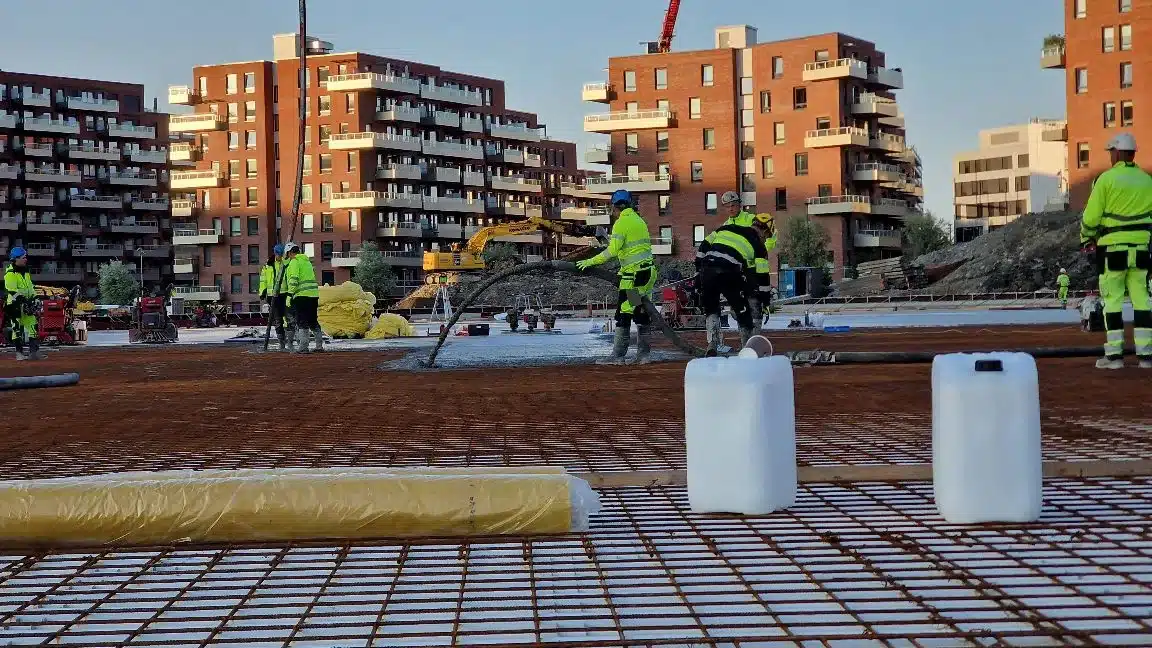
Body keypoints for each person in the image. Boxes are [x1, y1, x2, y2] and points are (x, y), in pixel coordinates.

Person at [1080, 132, 1152, 369]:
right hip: (1141, 249)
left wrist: (1086, 237)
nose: (1110, 156)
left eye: (1111, 152)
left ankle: (1114, 356)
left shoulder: (1106, 180)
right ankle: (1146, 355)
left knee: (1112, 300)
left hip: (1113, 250)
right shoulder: (1147, 180)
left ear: (1118, 152)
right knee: (1142, 299)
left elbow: (1091, 217)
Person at [576, 189, 656, 365]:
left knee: (624, 314)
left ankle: (618, 356)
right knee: (640, 311)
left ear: (615, 207)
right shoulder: (639, 221)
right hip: (646, 274)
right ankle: (644, 356)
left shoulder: (621, 223)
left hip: (633, 278)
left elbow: (611, 251)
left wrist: (590, 262)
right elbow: (632, 249)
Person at [695, 191, 772, 355]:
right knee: (741, 309)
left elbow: (703, 247)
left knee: (712, 309)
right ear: (763, 232)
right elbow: (763, 276)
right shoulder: (758, 242)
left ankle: (712, 345)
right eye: (766, 236)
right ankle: (747, 349)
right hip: (732, 271)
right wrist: (766, 300)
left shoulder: (728, 227)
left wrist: (698, 272)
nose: (731, 208)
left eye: (733, 205)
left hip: (708, 269)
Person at [283, 242, 324, 353]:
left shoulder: (294, 262)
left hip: (301, 296)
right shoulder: (307, 262)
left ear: (290, 252)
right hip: (313, 296)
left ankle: (303, 347)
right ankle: (319, 346)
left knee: (302, 321)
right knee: (313, 321)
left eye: (287, 253)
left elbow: (294, 280)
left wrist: (289, 295)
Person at [3, 248, 42, 361]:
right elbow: (12, 290)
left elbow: (30, 287)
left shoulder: (25, 271)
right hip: (15, 305)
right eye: (23, 257)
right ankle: (19, 353)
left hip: (26, 304)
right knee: (17, 328)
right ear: (16, 259)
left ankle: (34, 353)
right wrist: (24, 301)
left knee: (33, 326)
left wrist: (35, 297)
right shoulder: (10, 273)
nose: (26, 259)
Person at [259, 244, 292, 351]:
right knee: (278, 321)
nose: (279, 256)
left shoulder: (286, 264)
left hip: (284, 295)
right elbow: (263, 280)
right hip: (272, 296)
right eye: (277, 254)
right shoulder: (267, 266)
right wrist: (262, 292)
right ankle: (281, 343)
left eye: (280, 254)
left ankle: (290, 342)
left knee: (289, 319)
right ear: (275, 253)